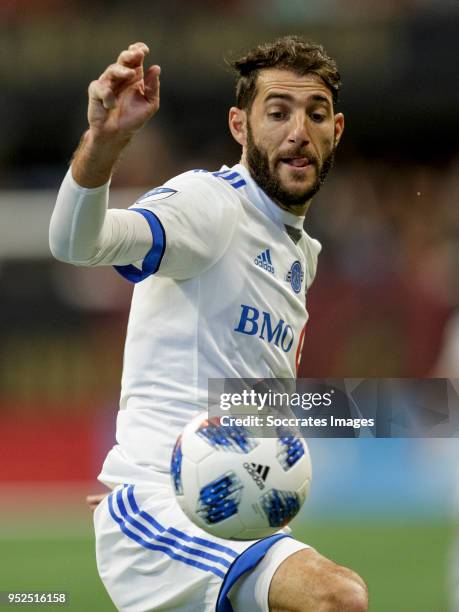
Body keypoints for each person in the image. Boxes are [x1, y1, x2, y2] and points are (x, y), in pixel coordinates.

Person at [49, 36, 368, 612]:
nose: (298, 129)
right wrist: (104, 140)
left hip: (226, 508)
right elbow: (77, 243)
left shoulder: (301, 252)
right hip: (167, 510)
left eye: (315, 114)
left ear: (336, 130)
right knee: (337, 598)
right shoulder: (210, 204)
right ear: (240, 126)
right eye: (277, 112)